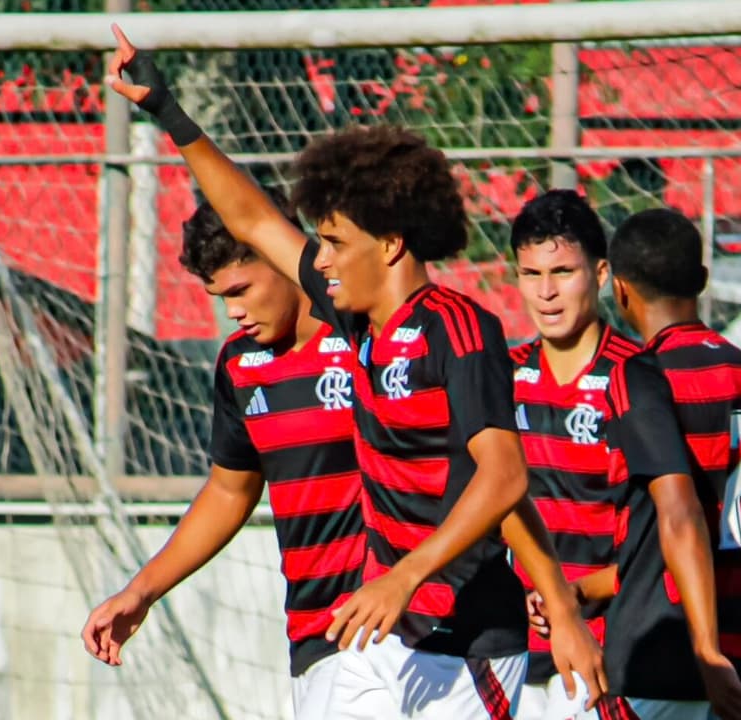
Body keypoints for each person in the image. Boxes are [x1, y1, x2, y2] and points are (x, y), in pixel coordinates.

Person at [103, 24, 605, 719]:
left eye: (335, 241)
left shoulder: (457, 328)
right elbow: (251, 219)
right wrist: (168, 111)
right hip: (381, 635)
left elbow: (503, 480)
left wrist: (538, 600)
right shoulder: (358, 325)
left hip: (465, 642)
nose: (321, 259)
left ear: (391, 244)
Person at [80, 198, 364, 719]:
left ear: (282, 258)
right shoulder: (239, 364)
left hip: (397, 624)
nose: (232, 311)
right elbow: (230, 490)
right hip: (314, 632)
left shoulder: (365, 337)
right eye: (220, 297)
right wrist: (142, 591)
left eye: (240, 290)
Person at [599, 209, 741, 719]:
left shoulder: (642, 374)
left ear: (620, 290)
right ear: (702, 280)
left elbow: (681, 516)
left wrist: (706, 649)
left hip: (670, 657)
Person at [504, 190, 642, 720]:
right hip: (510, 657)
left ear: (601, 274)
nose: (546, 292)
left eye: (562, 272)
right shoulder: (501, 379)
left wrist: (575, 595)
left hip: (603, 657)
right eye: (531, 274)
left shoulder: (636, 381)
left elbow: (662, 544)